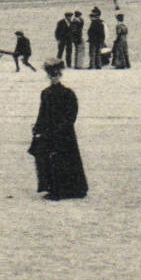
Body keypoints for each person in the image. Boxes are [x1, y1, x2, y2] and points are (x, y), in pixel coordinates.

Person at [29, 61, 88, 201]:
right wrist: (38, 128)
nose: (53, 77)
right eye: (51, 75)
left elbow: (72, 114)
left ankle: (69, 189)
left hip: (63, 132)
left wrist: (62, 127)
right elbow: (42, 113)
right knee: (54, 160)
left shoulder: (67, 93)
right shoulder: (46, 93)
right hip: (53, 131)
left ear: (59, 75)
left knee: (64, 160)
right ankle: (55, 188)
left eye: (55, 75)